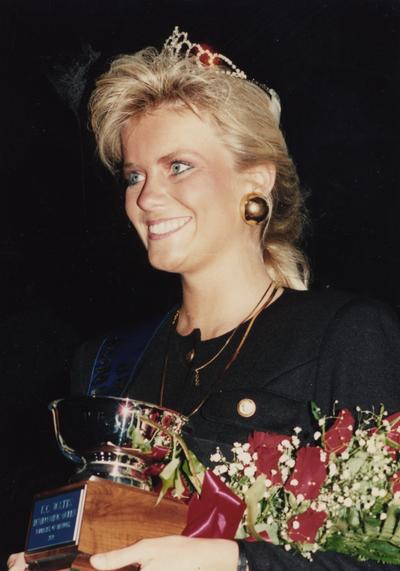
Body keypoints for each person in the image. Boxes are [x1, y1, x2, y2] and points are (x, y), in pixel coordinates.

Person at [8, 26, 400, 571]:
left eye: (179, 166)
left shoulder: (346, 335)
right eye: (134, 175)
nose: (146, 197)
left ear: (255, 181)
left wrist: (235, 562)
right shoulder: (102, 366)